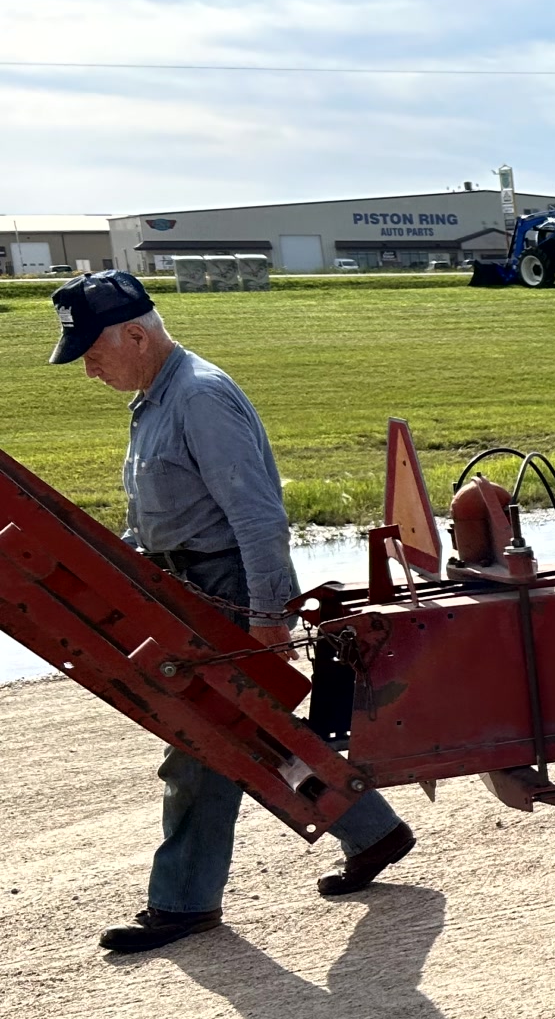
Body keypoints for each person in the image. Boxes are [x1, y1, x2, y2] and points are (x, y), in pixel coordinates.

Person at [48, 271, 417, 953]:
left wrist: (267, 615)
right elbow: (155, 519)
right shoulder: (154, 403)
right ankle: (373, 832)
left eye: (92, 352)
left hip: (225, 586)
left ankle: (184, 904)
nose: (87, 368)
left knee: (202, 741)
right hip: (184, 586)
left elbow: (256, 515)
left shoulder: (199, 397)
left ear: (136, 334)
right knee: (254, 737)